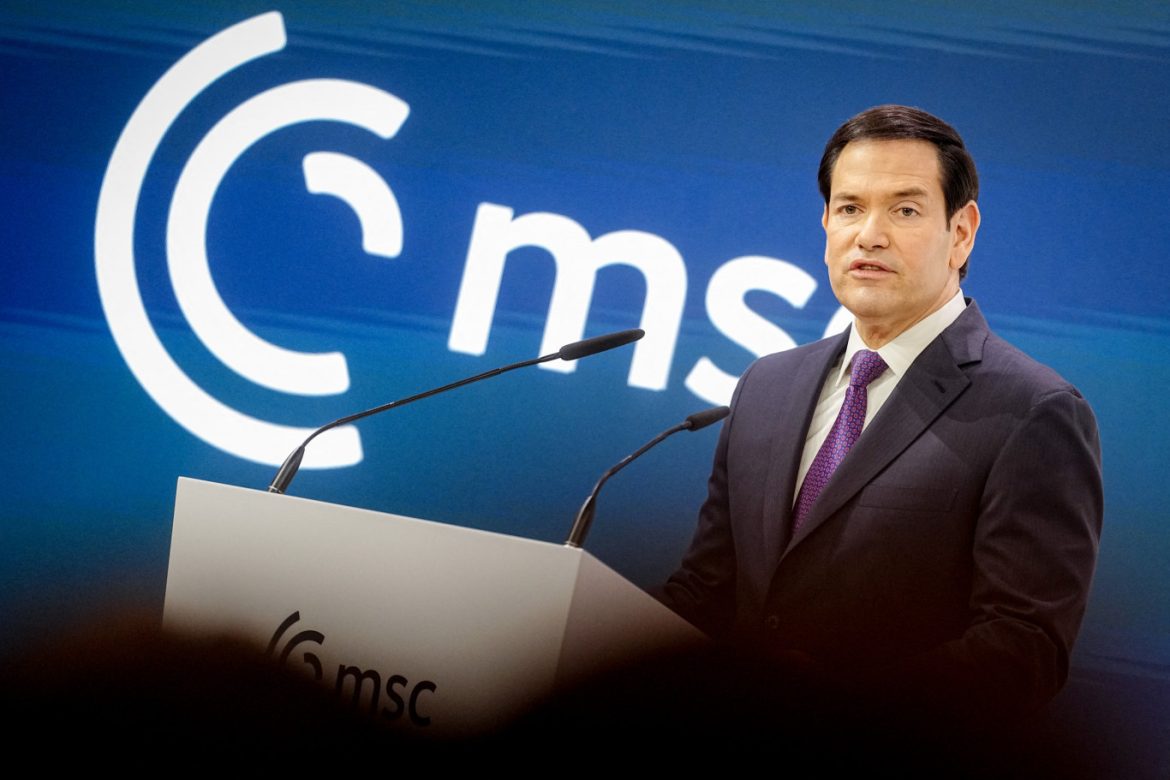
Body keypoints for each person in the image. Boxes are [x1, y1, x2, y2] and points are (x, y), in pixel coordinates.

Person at [656, 104, 1103, 724]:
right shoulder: (767, 385)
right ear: (826, 223)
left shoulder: (1033, 410)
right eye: (849, 208)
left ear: (962, 232)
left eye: (905, 210)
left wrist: (845, 712)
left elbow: (1023, 648)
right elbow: (706, 589)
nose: (869, 235)